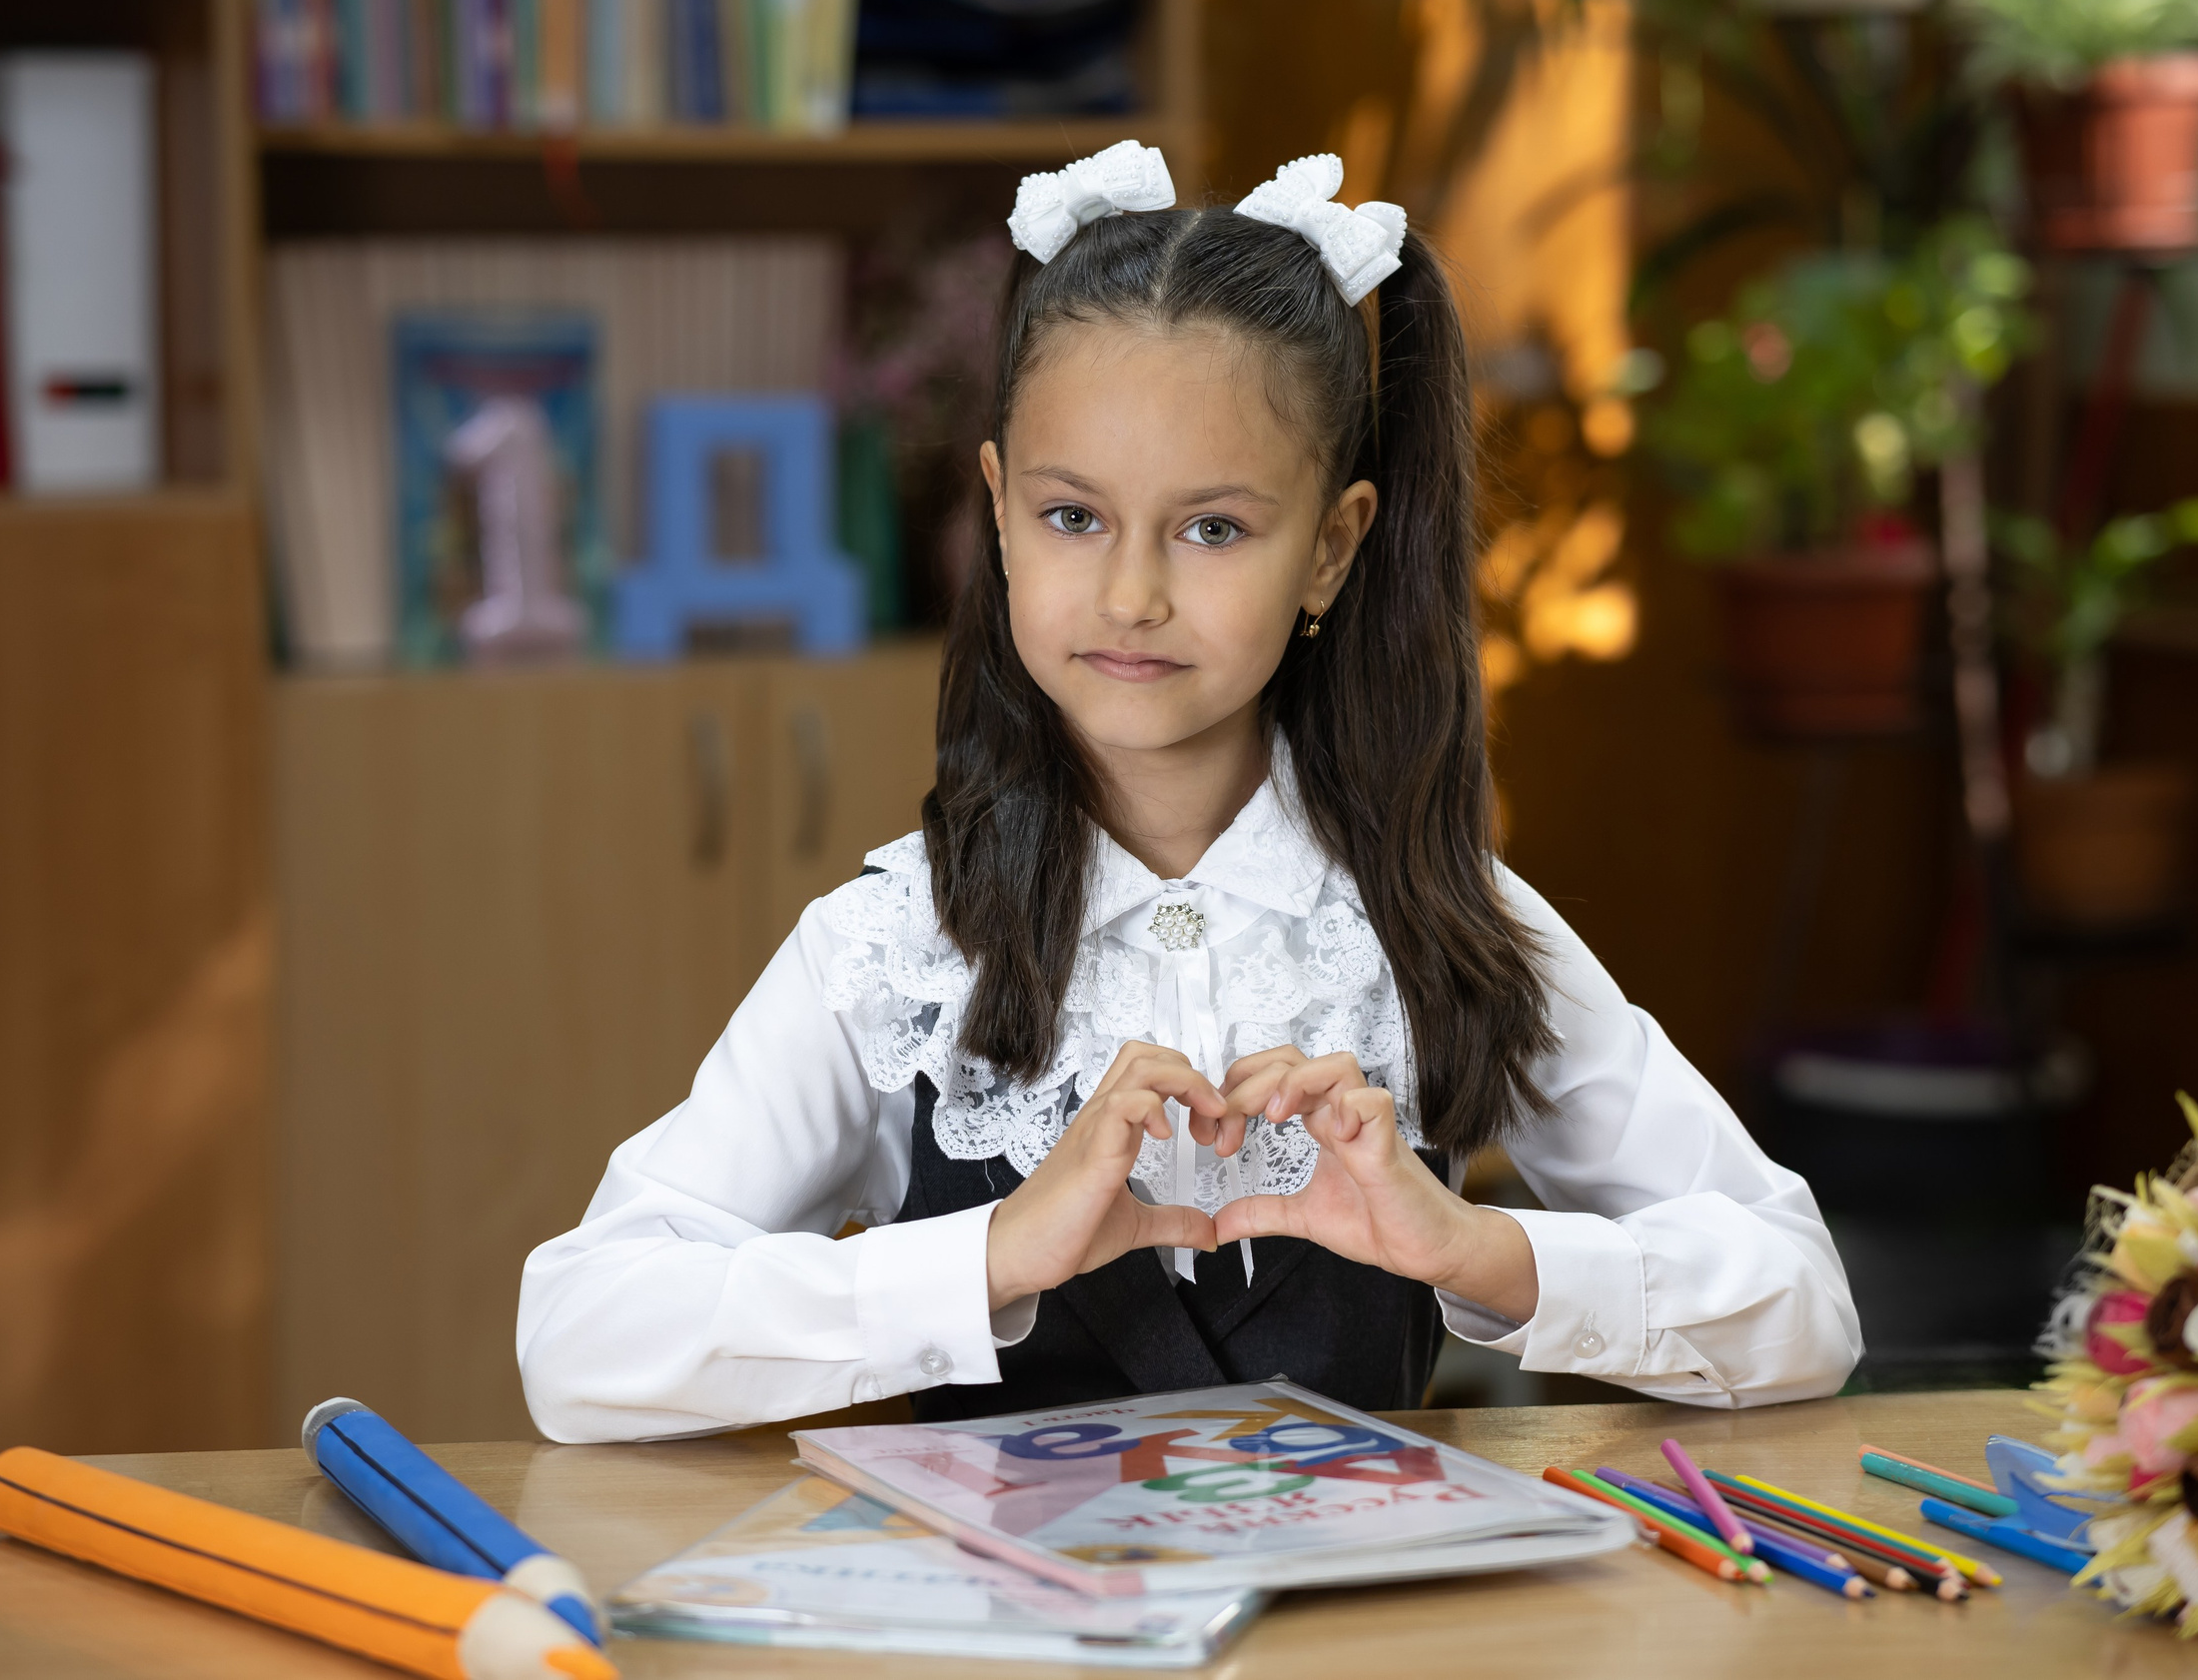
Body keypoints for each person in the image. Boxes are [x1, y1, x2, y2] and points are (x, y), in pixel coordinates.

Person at [518, 143, 1860, 1443]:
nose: (1131, 594)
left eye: (1213, 528)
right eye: (1073, 517)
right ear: (997, 510)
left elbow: (1804, 1299)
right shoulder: (895, 949)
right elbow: (581, 1334)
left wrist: (1472, 1248)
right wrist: (990, 1255)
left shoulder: (1442, 922)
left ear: (1332, 546)